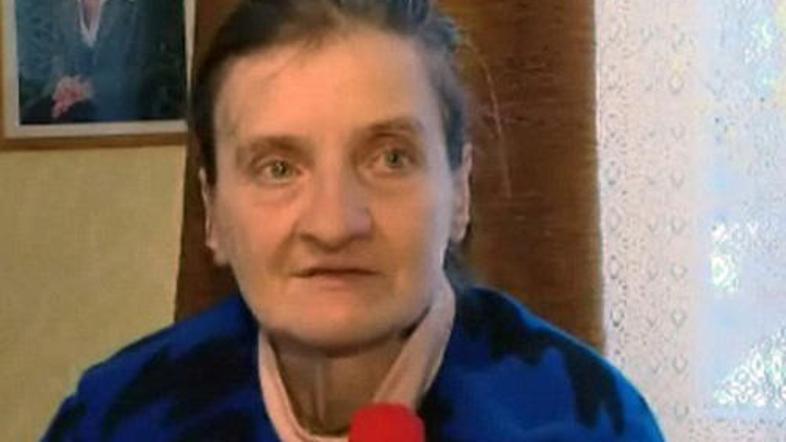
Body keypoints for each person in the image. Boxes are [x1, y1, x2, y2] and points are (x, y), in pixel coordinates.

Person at [42, 0, 664, 440]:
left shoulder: (588, 422)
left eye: (390, 158)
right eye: (278, 168)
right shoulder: (113, 419)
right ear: (213, 215)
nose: (334, 224)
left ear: (459, 193)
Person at [22, 0, 151, 123]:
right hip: (71, 116)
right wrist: (62, 85)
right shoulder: (62, 6)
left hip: (120, 119)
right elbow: (57, 62)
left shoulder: (134, 6)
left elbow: (142, 71)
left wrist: (92, 88)